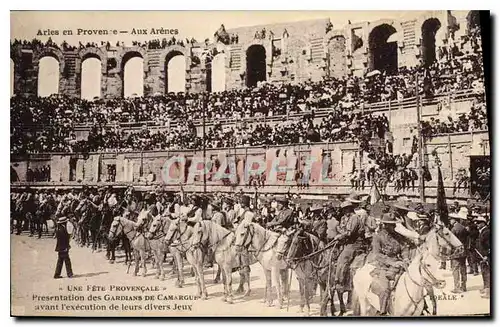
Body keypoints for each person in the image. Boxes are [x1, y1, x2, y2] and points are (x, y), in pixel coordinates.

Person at [365, 212, 412, 315]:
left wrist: (406, 258)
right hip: (383, 266)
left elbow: (404, 248)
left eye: (394, 224)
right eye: (391, 224)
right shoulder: (378, 237)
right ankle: (383, 312)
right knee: (385, 289)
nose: (394, 226)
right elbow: (377, 255)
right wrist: (392, 263)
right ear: (385, 225)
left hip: (399, 264)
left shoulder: (398, 236)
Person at [448, 207, 469, 293]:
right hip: (463, 251)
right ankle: (464, 286)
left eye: (451, 219)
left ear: (454, 220)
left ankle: (457, 287)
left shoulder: (453, 229)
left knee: (455, 269)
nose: (450, 221)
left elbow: (451, 241)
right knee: (463, 269)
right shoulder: (463, 228)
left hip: (456, 252)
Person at [473, 215, 490, 299]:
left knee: (487, 273)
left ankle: (489, 292)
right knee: (484, 272)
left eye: (479, 223)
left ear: (483, 223)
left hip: (486, 257)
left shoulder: (487, 232)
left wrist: (486, 255)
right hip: (481, 256)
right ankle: (486, 288)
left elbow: (489, 245)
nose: (477, 224)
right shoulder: (482, 231)